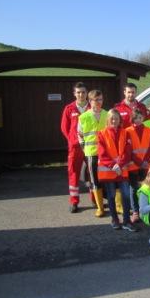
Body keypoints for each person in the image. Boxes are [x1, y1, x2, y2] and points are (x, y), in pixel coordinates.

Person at [97, 109, 135, 231]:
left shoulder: (125, 133)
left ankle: (126, 221)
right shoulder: (101, 134)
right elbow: (102, 154)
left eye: (116, 118)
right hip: (109, 171)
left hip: (122, 170)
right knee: (111, 196)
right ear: (107, 120)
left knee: (125, 195)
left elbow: (128, 151)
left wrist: (119, 164)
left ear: (120, 120)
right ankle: (114, 219)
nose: (114, 120)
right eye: (112, 118)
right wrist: (114, 165)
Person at [60, 82, 90, 213]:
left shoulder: (92, 107)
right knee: (73, 173)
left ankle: (95, 199)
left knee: (92, 174)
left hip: (90, 147)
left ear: (87, 93)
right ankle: (74, 202)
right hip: (75, 148)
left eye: (83, 92)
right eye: (78, 92)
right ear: (74, 93)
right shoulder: (69, 108)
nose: (81, 95)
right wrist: (72, 141)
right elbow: (64, 128)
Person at [78, 90, 108, 217]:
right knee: (94, 180)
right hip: (91, 154)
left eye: (101, 99)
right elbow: (80, 136)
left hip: (106, 153)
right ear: (90, 101)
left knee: (109, 178)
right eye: (96, 100)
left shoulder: (107, 114)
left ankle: (117, 205)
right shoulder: (83, 117)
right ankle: (100, 207)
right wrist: (85, 150)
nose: (99, 102)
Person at [126, 109, 150, 223]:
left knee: (144, 188)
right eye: (135, 118)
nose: (138, 120)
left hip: (145, 165)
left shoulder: (149, 130)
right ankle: (135, 212)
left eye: (140, 117)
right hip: (133, 165)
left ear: (143, 118)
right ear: (132, 119)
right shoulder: (127, 131)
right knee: (133, 189)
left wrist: (146, 161)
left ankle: (144, 210)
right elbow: (128, 151)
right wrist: (140, 162)